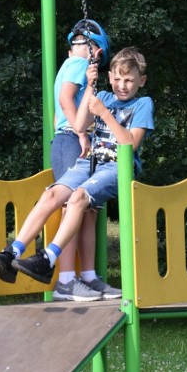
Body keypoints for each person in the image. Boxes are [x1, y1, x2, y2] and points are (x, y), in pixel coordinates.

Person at [0, 46, 154, 296]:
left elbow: (130, 144)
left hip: (118, 166)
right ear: (109, 77)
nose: (122, 85)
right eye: (117, 79)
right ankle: (12, 253)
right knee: (51, 195)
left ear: (142, 80)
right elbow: (78, 124)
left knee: (77, 198)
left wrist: (105, 115)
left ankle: (47, 259)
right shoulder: (103, 97)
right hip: (90, 161)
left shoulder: (143, 104)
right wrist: (88, 86)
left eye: (129, 80)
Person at [47, 19, 119, 301]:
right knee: (71, 208)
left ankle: (88, 276)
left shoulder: (67, 65)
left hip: (68, 137)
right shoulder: (78, 65)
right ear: (97, 54)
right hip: (72, 139)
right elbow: (66, 100)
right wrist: (79, 133)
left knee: (87, 210)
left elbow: (58, 110)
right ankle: (66, 280)